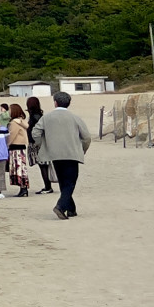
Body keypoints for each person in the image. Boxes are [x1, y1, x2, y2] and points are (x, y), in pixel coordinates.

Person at [30, 90, 93, 218]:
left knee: (64, 181)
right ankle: (60, 206)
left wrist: (43, 145)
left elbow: (35, 132)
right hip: (71, 154)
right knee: (70, 182)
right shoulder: (75, 118)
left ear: (55, 103)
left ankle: (71, 209)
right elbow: (86, 137)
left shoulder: (46, 117)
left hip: (54, 154)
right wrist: (82, 150)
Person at [6, 105, 33, 195]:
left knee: (18, 168)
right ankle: (24, 188)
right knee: (22, 168)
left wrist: (6, 145)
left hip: (15, 147)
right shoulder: (21, 121)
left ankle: (23, 189)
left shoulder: (14, 123)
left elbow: (11, 135)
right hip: (21, 147)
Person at [24, 96, 48, 191]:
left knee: (43, 165)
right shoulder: (38, 115)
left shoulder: (35, 116)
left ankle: (47, 187)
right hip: (39, 142)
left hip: (37, 143)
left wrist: (35, 142)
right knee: (43, 165)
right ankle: (47, 186)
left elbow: (37, 130)